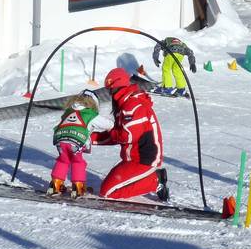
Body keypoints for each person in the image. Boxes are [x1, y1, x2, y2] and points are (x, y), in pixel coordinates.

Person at [92, 68, 169, 201]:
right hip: (131, 159)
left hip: (144, 160)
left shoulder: (133, 105)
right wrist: (89, 138)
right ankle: (145, 178)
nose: (109, 93)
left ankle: (155, 180)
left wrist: (108, 127)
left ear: (118, 87)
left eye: (111, 89)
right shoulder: (124, 104)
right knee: (108, 187)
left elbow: (127, 136)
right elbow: (116, 134)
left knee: (108, 192)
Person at [47, 89, 113, 198]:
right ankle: (78, 188)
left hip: (60, 140)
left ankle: (55, 185)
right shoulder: (90, 114)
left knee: (63, 160)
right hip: (76, 141)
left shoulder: (69, 111)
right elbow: (108, 125)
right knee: (77, 162)